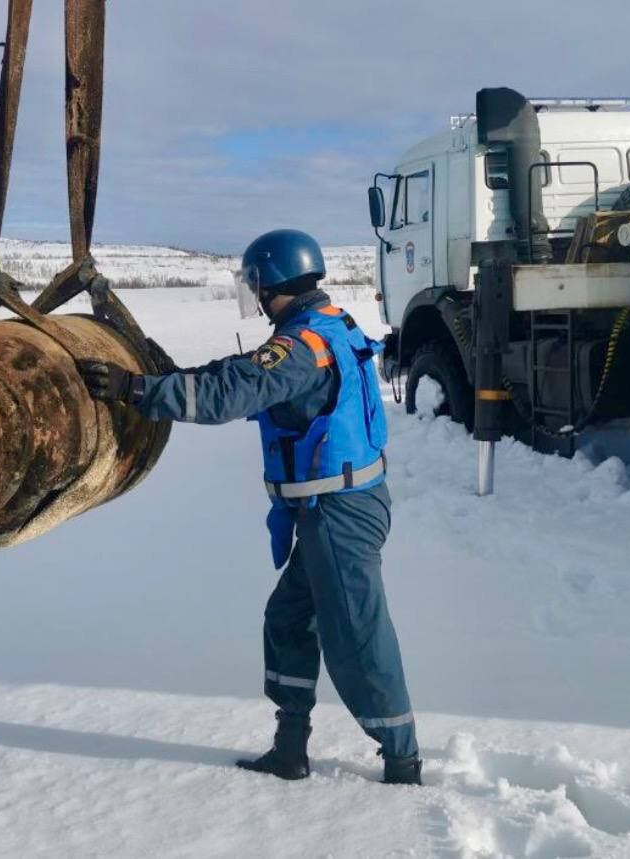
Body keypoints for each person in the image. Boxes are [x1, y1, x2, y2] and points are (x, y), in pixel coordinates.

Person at [76, 229, 422, 785]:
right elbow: (237, 373)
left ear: (272, 282)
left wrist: (137, 392)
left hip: (340, 514)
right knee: (287, 620)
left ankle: (402, 759)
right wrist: (159, 376)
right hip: (332, 509)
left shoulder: (298, 348)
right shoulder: (326, 325)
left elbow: (229, 395)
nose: (255, 297)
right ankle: (290, 749)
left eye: (256, 285)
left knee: (357, 636)